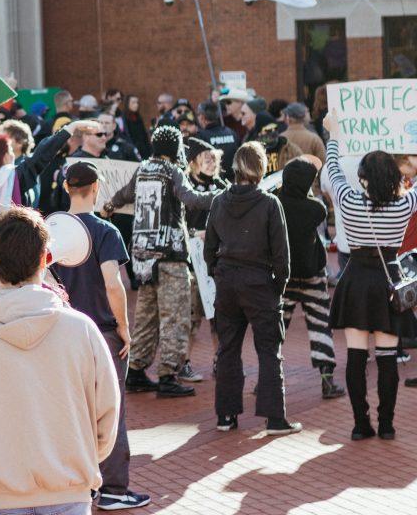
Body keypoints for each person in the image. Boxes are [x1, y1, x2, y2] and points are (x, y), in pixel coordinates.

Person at [0, 207, 120, 515]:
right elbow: (107, 411)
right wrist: (86, 457)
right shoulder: (82, 330)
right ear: (45, 259)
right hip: (67, 491)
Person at [56, 162, 149, 511]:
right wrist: (124, 326)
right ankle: (113, 489)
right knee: (111, 410)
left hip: (65, 331)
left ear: (67, 187)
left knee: (73, 409)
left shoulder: (53, 229)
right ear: (96, 187)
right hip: (102, 330)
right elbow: (114, 283)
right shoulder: (106, 231)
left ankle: (81, 483)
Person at [324, 112, 417, 441]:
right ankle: (387, 424)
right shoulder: (405, 206)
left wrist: (333, 135)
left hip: (357, 281)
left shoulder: (348, 202)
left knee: (355, 356)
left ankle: (361, 423)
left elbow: (332, 168)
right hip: (390, 279)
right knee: (388, 358)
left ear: (363, 178)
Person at [107, 125, 218, 398]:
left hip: (143, 258)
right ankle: (168, 375)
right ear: (175, 148)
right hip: (170, 256)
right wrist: (221, 196)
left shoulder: (143, 168)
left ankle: (135, 371)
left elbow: (123, 195)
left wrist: (108, 206)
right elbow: (191, 200)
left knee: (146, 317)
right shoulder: (173, 172)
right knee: (175, 316)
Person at [203, 142, 300, 434]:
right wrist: (279, 287)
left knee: (228, 350)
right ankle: (274, 418)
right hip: (259, 282)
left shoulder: (220, 201)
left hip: (228, 282)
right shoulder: (270, 204)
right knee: (269, 349)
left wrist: (218, 274)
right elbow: (282, 255)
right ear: (260, 169)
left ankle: (226, 416)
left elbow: (209, 249)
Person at [276, 155, 344, 399]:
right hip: (313, 274)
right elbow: (318, 207)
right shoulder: (315, 208)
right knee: (320, 327)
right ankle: (327, 380)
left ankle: (268, 378)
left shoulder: (276, 204)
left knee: (276, 328)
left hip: (284, 277)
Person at [182, 138, 227, 382]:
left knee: (218, 316)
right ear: (194, 162)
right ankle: (183, 363)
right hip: (191, 263)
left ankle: (220, 359)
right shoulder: (184, 185)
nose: (211, 163)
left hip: (216, 261)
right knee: (191, 317)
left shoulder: (222, 185)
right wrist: (192, 234)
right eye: (205, 158)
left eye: (214, 158)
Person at [196, 102, 238, 180]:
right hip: (233, 182)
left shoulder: (201, 136)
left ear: (202, 117)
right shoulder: (231, 132)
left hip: (213, 183)